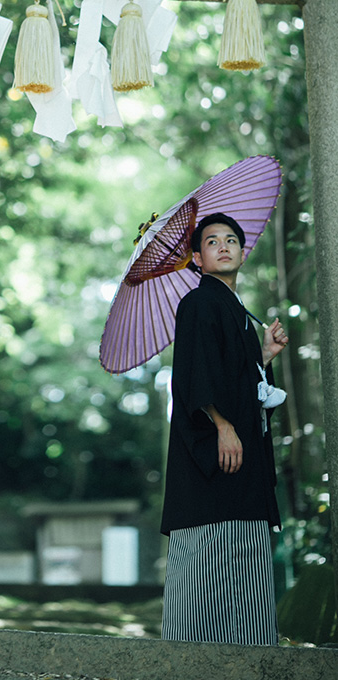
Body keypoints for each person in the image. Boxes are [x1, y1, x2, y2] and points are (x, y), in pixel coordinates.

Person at [160, 212, 288, 645]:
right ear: (198, 257)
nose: (224, 246)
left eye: (231, 239)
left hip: (240, 457)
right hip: (215, 454)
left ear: (241, 251)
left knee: (242, 551)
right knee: (210, 551)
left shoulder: (233, 308)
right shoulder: (198, 303)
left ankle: (249, 649)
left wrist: (264, 355)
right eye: (212, 241)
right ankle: (199, 650)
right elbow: (194, 375)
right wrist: (222, 426)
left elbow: (237, 378)